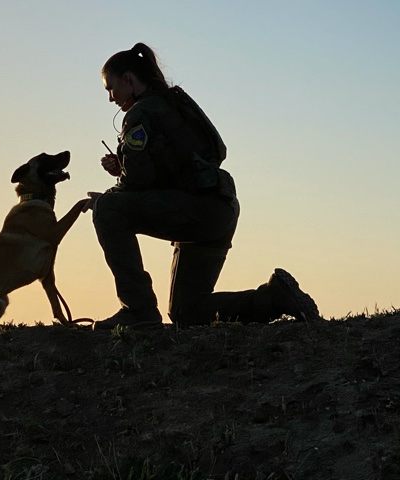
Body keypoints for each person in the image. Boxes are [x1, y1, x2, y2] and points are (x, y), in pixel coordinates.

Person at [85, 42, 320, 330]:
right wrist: (124, 168)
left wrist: (112, 191)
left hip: (197, 210)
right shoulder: (172, 103)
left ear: (128, 80)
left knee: (107, 208)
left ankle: (138, 309)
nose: (111, 98)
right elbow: (172, 166)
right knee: (188, 312)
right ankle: (275, 298)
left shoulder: (139, 114)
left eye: (111, 88)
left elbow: (139, 180)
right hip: (217, 209)